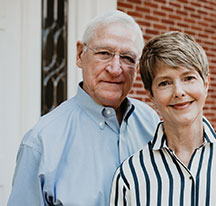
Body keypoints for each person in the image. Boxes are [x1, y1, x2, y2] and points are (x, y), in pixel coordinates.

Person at [8, 10, 160, 205]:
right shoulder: (41, 143)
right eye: (104, 53)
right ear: (80, 54)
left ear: (136, 68)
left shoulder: (151, 122)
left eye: (127, 58)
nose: (115, 69)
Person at [110, 31, 216, 205]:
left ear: (206, 84)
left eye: (189, 78)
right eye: (165, 83)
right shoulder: (130, 175)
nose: (179, 92)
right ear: (151, 95)